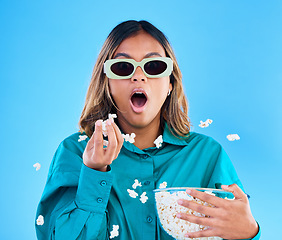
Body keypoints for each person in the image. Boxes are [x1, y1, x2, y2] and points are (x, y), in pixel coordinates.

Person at [35, 20, 260, 240]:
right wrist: (94, 172)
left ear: (170, 82)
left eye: (154, 66)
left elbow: (230, 228)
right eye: (123, 67)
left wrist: (249, 232)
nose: (138, 76)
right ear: (108, 82)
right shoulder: (75, 152)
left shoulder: (208, 155)